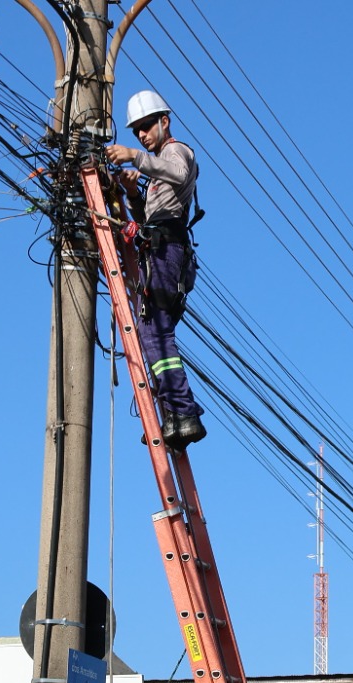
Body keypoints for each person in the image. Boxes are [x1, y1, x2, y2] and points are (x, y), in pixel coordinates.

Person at [105, 90, 206, 451]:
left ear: (165, 120)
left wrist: (136, 158)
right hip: (159, 248)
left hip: (169, 250)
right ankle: (177, 416)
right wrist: (132, 195)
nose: (142, 135)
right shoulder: (156, 164)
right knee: (154, 336)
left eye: (147, 126)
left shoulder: (176, 152)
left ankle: (183, 412)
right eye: (136, 132)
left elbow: (179, 173)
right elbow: (148, 218)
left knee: (155, 333)